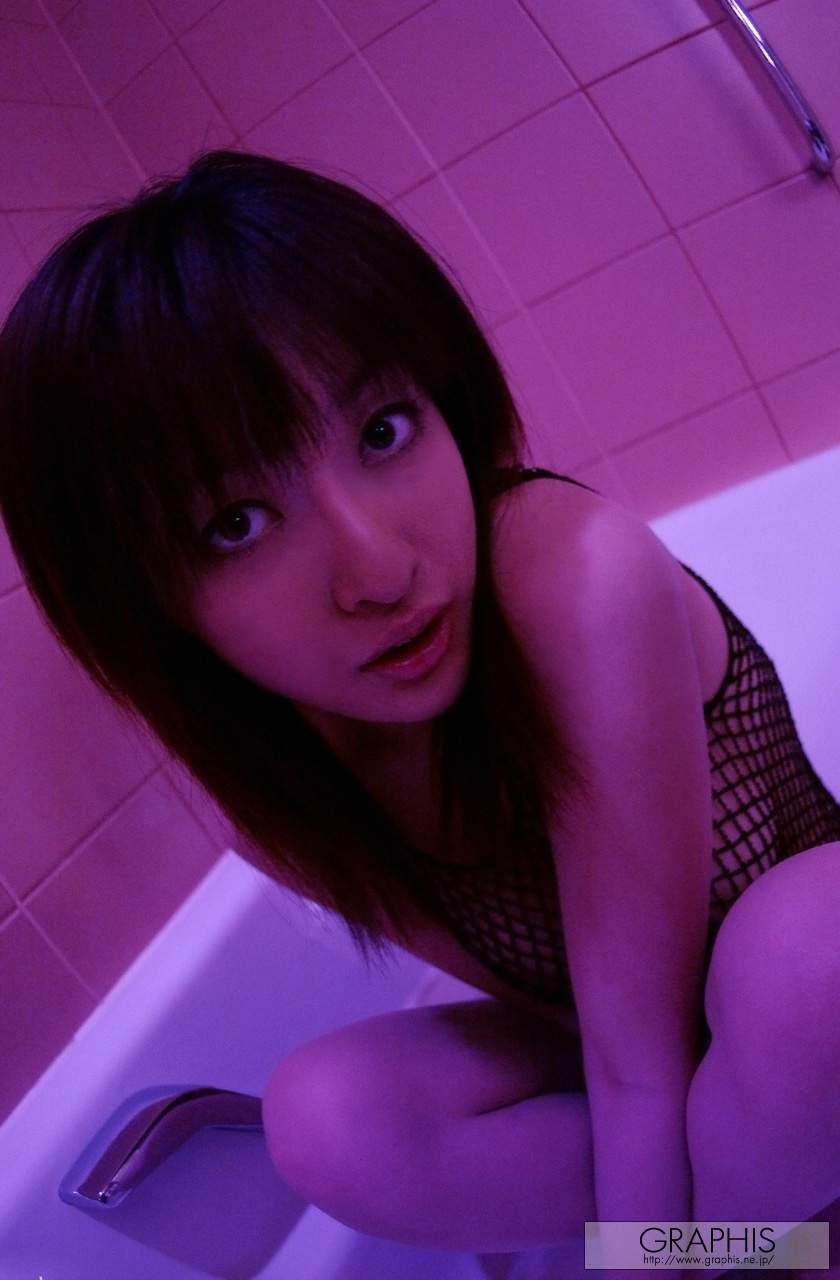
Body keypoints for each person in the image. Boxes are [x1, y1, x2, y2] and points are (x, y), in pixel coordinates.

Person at [2, 148, 840, 1268]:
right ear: (148, 598)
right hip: (694, 1098)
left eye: (384, 430)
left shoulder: (571, 577)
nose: (378, 569)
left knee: (808, 951)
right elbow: (582, 1032)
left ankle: (754, 1245)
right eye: (236, 524)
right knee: (327, 1119)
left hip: (813, 1044)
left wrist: (641, 1255)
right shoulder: (285, 792)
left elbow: (642, 1065)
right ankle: (787, 1245)